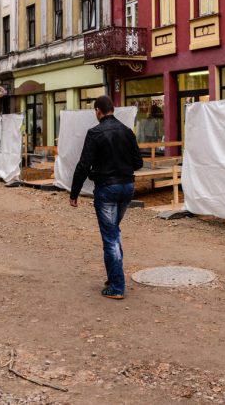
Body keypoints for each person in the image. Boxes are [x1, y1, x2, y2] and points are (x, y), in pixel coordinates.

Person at [69, 95, 143, 300]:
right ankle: (113, 276)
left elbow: (84, 164)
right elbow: (138, 162)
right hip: (127, 187)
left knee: (110, 237)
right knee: (114, 231)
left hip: (107, 190)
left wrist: (74, 192)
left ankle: (117, 287)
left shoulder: (94, 133)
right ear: (113, 110)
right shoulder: (127, 132)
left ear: (98, 111)